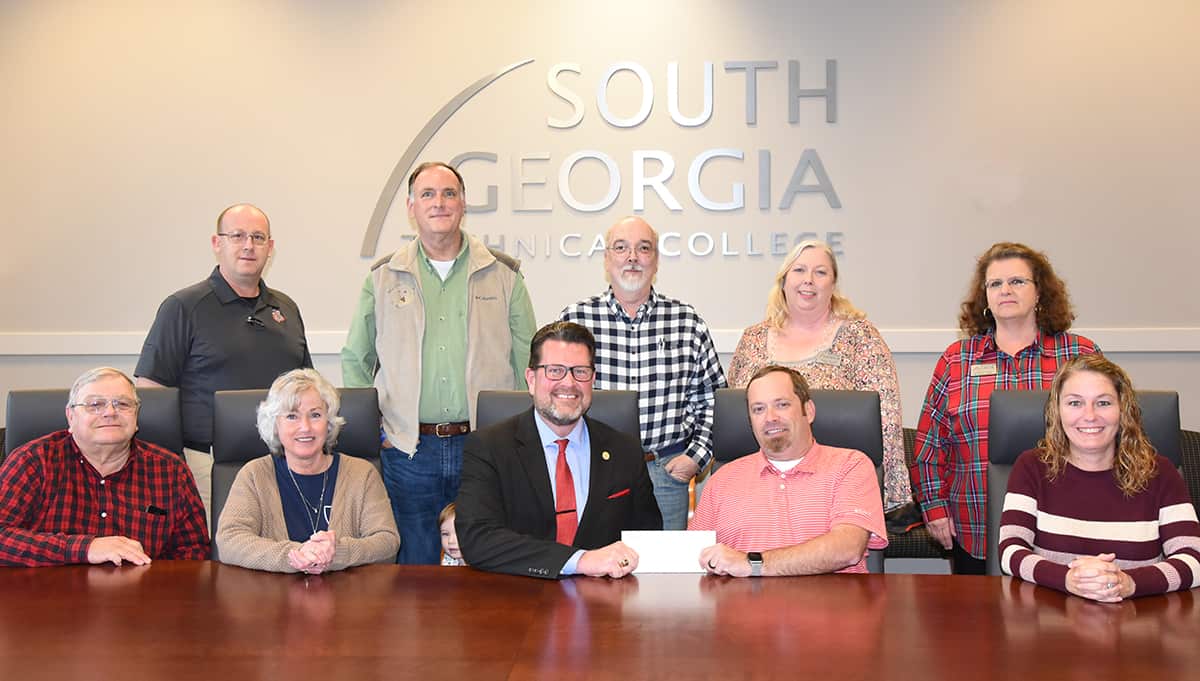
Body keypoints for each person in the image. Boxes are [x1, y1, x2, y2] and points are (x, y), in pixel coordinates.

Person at [341, 161, 537, 564]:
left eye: (449, 193)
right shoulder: (383, 277)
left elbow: (526, 362)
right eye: (427, 194)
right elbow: (356, 359)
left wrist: (516, 438)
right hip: (408, 449)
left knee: (487, 560)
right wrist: (374, 429)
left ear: (463, 204)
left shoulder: (503, 275)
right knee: (414, 566)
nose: (439, 203)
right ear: (411, 207)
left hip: (484, 445)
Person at [915, 242, 1100, 574]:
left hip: (1065, 521)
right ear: (985, 296)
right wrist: (935, 509)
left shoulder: (1079, 354)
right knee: (976, 624)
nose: (1005, 290)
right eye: (995, 284)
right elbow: (930, 446)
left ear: (1039, 291)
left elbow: (1110, 429)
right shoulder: (957, 359)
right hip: (974, 524)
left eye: (1017, 281)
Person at [135, 203, 312, 522]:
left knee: (279, 556)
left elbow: (304, 386)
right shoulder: (183, 307)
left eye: (258, 237)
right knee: (220, 558)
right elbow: (151, 390)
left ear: (270, 248)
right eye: (238, 236)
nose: (248, 245)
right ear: (217, 244)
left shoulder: (286, 308)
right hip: (206, 464)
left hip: (281, 461)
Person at [726, 240, 917, 532]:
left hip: (838, 486)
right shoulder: (753, 339)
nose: (808, 280)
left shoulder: (860, 337)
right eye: (799, 270)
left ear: (833, 284)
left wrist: (893, 492)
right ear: (784, 281)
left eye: (820, 272)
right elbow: (734, 419)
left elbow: (887, 421)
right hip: (761, 487)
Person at [455, 322, 662, 579]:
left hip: (603, 604)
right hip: (518, 599)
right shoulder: (488, 447)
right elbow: (477, 539)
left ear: (593, 380)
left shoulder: (625, 450)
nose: (569, 383)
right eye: (555, 371)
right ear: (531, 380)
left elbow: (648, 538)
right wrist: (580, 560)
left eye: (580, 372)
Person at [559, 216, 726, 530]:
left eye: (643, 248)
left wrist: (697, 457)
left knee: (663, 574)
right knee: (592, 569)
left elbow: (714, 400)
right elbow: (558, 393)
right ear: (607, 260)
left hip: (665, 474)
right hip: (591, 470)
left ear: (656, 261)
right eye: (621, 248)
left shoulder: (685, 321)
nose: (632, 257)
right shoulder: (575, 320)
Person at [1000, 354, 1200, 599]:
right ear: (1057, 411)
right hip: (1050, 622)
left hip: (1138, 623)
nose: (1090, 416)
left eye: (1103, 403)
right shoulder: (1031, 467)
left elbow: (1193, 558)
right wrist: (1068, 579)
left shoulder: (1160, 472)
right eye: (1075, 403)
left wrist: (1127, 582)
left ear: (1122, 409)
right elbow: (1010, 551)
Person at [0, 367, 209, 566]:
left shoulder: (170, 471)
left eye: (123, 404)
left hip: (142, 597)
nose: (110, 412)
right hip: (47, 596)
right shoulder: (33, 462)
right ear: (70, 417)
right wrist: (85, 548)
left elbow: (194, 552)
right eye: (95, 405)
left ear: (136, 416)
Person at [690, 365, 887, 576]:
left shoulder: (850, 466)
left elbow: (847, 548)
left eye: (782, 405)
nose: (770, 417)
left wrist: (753, 564)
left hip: (830, 605)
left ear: (808, 411)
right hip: (742, 606)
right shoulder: (722, 479)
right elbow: (694, 558)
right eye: (758, 409)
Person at [215, 369, 399, 573]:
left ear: (328, 423)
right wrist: (295, 554)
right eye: (292, 416)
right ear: (275, 425)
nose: (305, 427)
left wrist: (337, 551)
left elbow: (387, 542)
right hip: (272, 600)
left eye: (315, 415)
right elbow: (229, 540)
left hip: (348, 599)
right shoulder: (254, 475)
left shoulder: (362, 474)